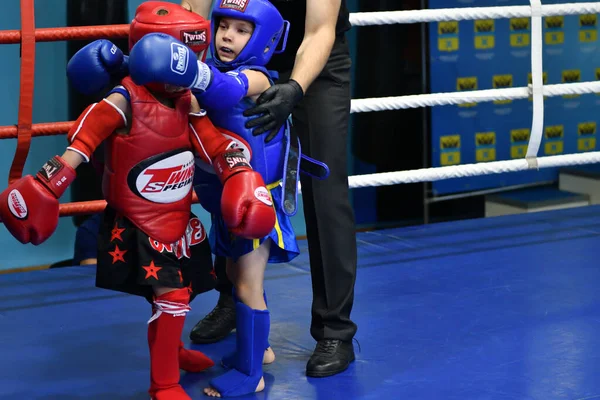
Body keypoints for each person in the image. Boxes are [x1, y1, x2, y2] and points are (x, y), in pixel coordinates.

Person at [65, 0, 357, 379]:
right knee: (223, 177)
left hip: (310, 59)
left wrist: (294, 88)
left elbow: (319, 31)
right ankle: (231, 301)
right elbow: (196, 15)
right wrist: (140, 64)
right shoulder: (226, 35)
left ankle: (334, 331)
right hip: (230, 62)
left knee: (325, 191)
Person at [0, 3, 277, 400]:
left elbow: (211, 143)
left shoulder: (187, 98)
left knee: (183, 291)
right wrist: (47, 185)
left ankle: (174, 350)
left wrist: (239, 174)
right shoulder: (124, 99)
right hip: (140, 223)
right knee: (172, 297)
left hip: (179, 218)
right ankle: (163, 382)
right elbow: (84, 142)